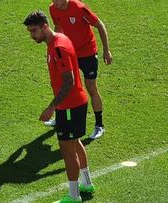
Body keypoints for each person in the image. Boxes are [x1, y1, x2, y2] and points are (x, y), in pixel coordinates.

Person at [23, 11, 95, 203]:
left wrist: (51, 107)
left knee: (67, 151)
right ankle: (86, 183)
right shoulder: (60, 39)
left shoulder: (58, 47)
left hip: (70, 106)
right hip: (75, 103)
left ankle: (74, 196)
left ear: (45, 26)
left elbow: (69, 81)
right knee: (75, 143)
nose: (32, 35)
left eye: (34, 30)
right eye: (30, 31)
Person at [47, 0, 113, 139]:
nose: (55, 3)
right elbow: (58, 28)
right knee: (65, 85)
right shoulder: (53, 9)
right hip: (70, 54)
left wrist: (106, 50)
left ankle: (99, 125)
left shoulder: (79, 8)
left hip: (88, 53)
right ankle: (61, 118)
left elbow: (99, 25)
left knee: (91, 87)